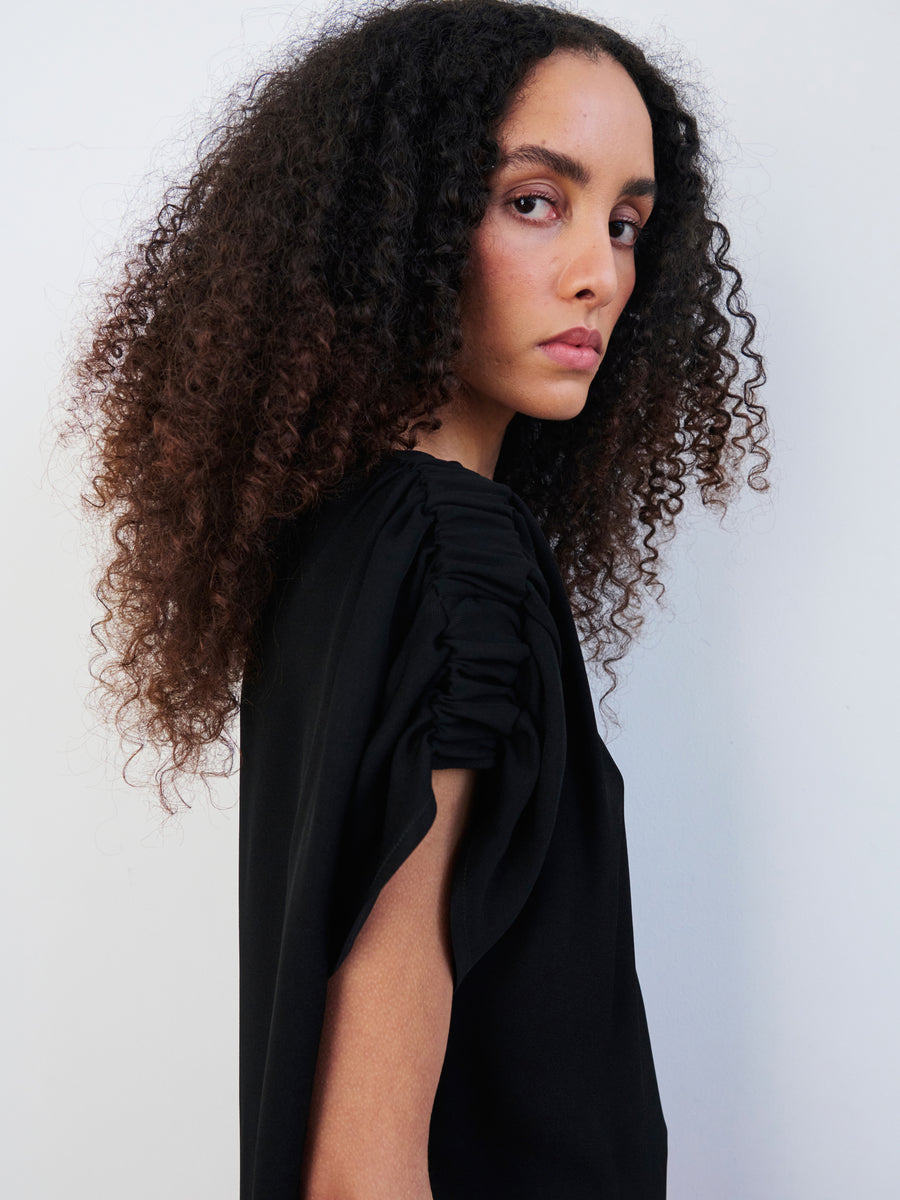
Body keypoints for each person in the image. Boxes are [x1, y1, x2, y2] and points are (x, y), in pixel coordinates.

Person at [64, 0, 769, 1196]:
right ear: (395, 222)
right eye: (534, 201)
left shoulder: (360, 542)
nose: (601, 273)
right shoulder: (456, 555)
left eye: (629, 223)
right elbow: (358, 1169)